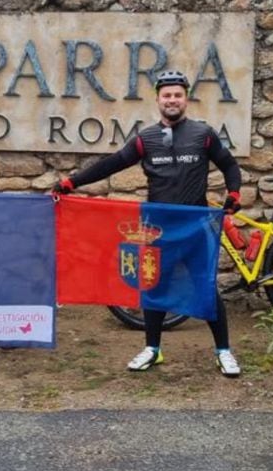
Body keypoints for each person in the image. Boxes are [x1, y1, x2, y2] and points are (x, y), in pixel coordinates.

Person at [53, 69, 244, 377]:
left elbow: (229, 164)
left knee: (206, 288)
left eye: (177, 95)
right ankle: (152, 349)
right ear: (158, 100)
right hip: (158, 228)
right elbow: (112, 163)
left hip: (196, 228)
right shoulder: (146, 139)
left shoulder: (202, 134)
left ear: (186, 99)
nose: (172, 100)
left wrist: (234, 193)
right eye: (166, 95)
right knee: (154, 287)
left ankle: (224, 351)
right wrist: (71, 183)